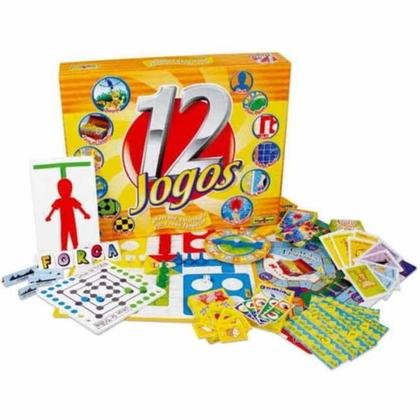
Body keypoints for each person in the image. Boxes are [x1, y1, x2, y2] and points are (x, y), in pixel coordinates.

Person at [45, 178, 91, 250]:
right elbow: (53, 209)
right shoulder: (59, 201)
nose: (64, 191)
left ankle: (75, 248)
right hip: (64, 222)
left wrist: (85, 214)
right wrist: (49, 216)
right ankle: (65, 249)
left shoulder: (71, 200)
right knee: (64, 237)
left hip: (71, 221)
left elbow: (79, 207)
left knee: (73, 236)